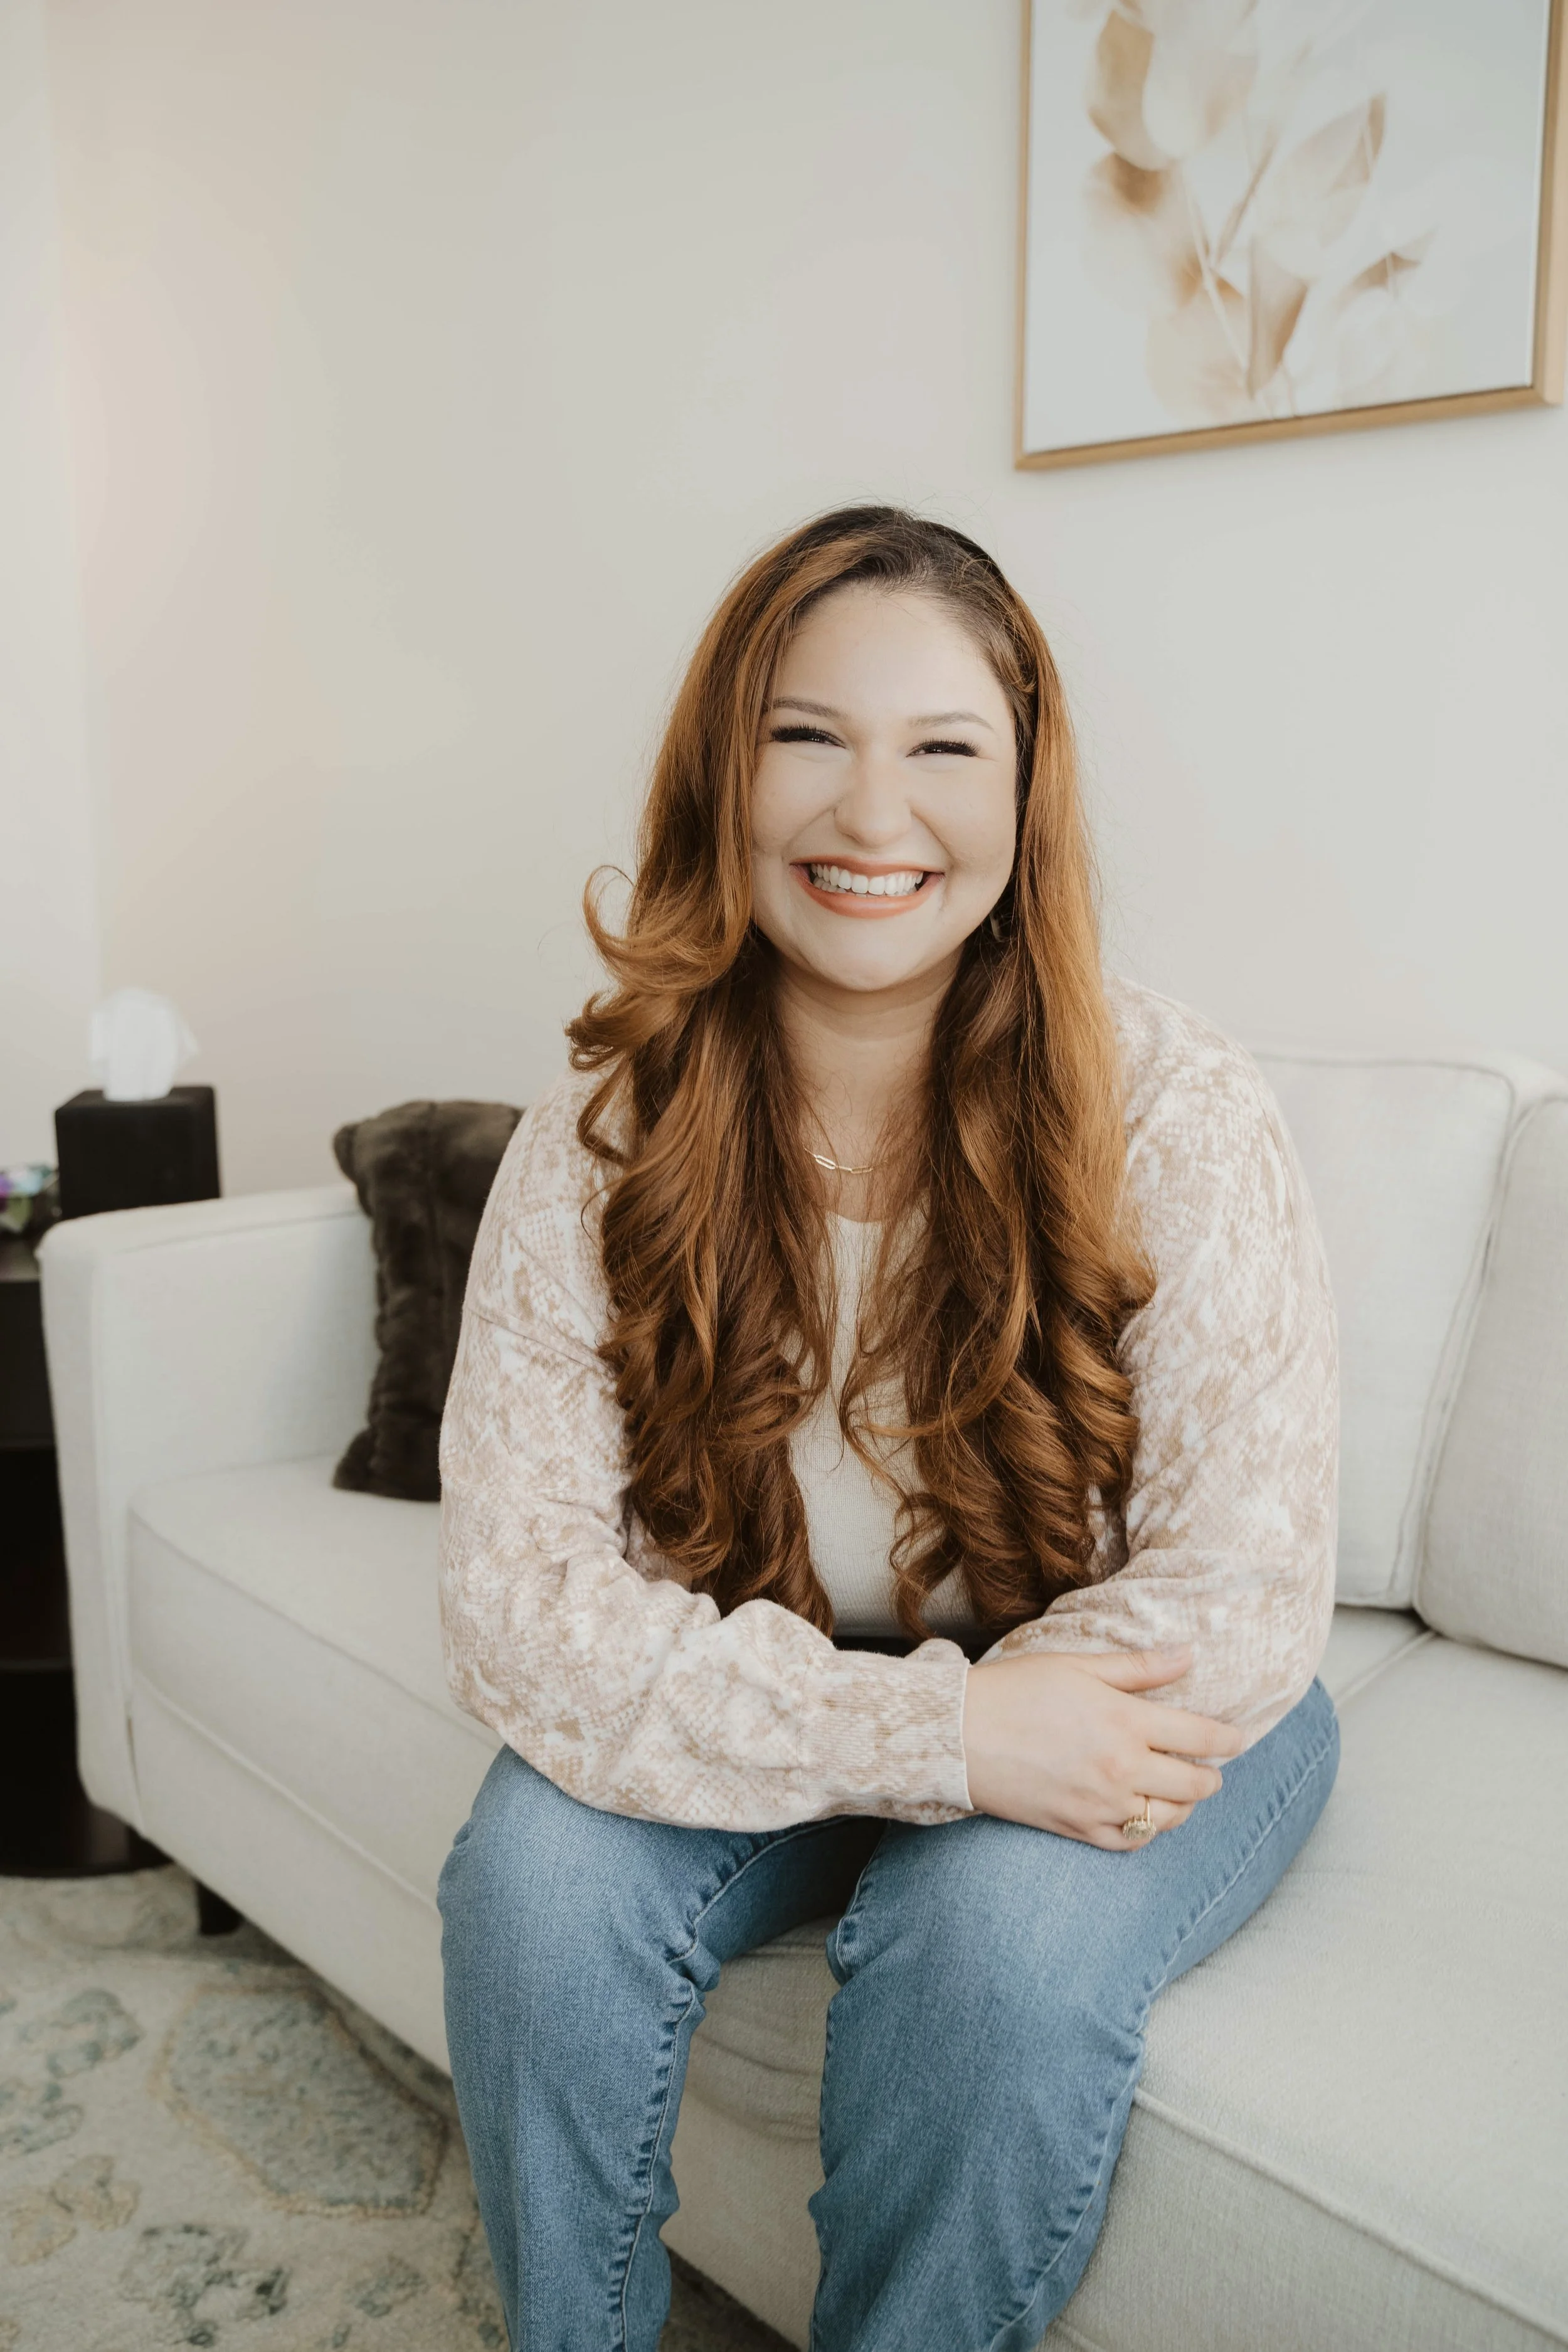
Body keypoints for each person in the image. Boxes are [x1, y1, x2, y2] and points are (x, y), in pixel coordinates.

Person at [435, 506, 1340, 2351]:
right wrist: (937, 1729)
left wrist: (1003, 1738)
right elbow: (520, 1603)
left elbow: (1236, 1584)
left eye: (943, 750)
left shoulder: (1174, 1106)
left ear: (1024, 801)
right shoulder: (600, 1129)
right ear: (723, 771)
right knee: (529, 1880)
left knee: (987, 1946)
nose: (871, 814)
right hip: (819, 1673)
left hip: (1134, 1703)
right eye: (806, 737)